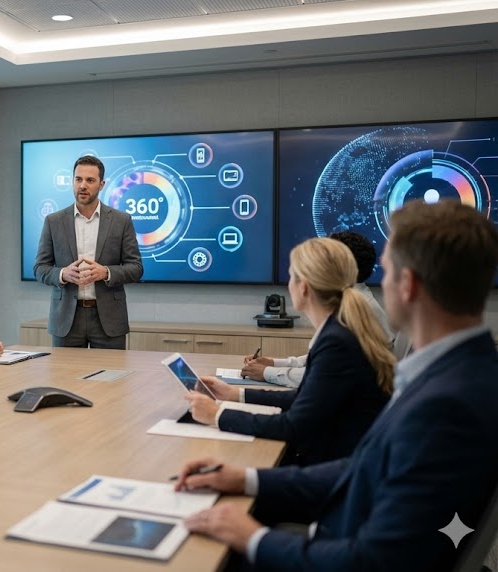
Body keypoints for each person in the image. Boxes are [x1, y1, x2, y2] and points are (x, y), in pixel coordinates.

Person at [177, 200, 498, 571]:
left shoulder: (448, 405)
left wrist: (252, 537)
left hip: (341, 541)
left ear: (408, 285)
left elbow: (374, 562)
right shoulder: (451, 374)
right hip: (346, 521)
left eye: (387, 271)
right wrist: (246, 478)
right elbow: (364, 467)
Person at [186, 237, 393, 466]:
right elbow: (307, 398)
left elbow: (293, 426)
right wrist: (235, 394)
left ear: (303, 288)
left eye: (291, 276)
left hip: (330, 468)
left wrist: (217, 415)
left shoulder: (337, 342)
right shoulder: (337, 331)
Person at [242, 230, 397, 387]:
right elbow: (324, 359)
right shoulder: (357, 301)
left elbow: (319, 375)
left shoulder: (350, 313)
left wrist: (267, 373)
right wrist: (275, 364)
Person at [33, 155, 143, 349]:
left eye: (90, 180)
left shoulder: (121, 221)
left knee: (111, 370)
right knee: (64, 371)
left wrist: (106, 272)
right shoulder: (53, 221)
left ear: (101, 185)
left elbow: (136, 268)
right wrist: (62, 274)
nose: (83, 185)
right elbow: (40, 268)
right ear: (72, 181)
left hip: (108, 319)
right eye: (78, 179)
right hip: (66, 319)